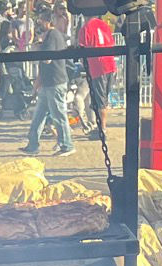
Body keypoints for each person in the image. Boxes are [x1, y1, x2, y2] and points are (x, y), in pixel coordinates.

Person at [22, 7, 73, 156]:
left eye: (41, 21)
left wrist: (37, 47)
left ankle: (67, 145)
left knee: (59, 115)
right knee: (39, 114)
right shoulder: (51, 36)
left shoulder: (52, 35)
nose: (39, 23)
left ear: (48, 22)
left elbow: (47, 58)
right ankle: (32, 144)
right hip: (48, 82)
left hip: (55, 82)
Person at [80, 11, 117, 139]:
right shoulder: (104, 25)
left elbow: (82, 49)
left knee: (100, 99)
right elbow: (111, 42)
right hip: (110, 63)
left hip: (98, 66)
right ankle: (101, 126)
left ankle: (103, 129)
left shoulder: (85, 28)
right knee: (103, 99)